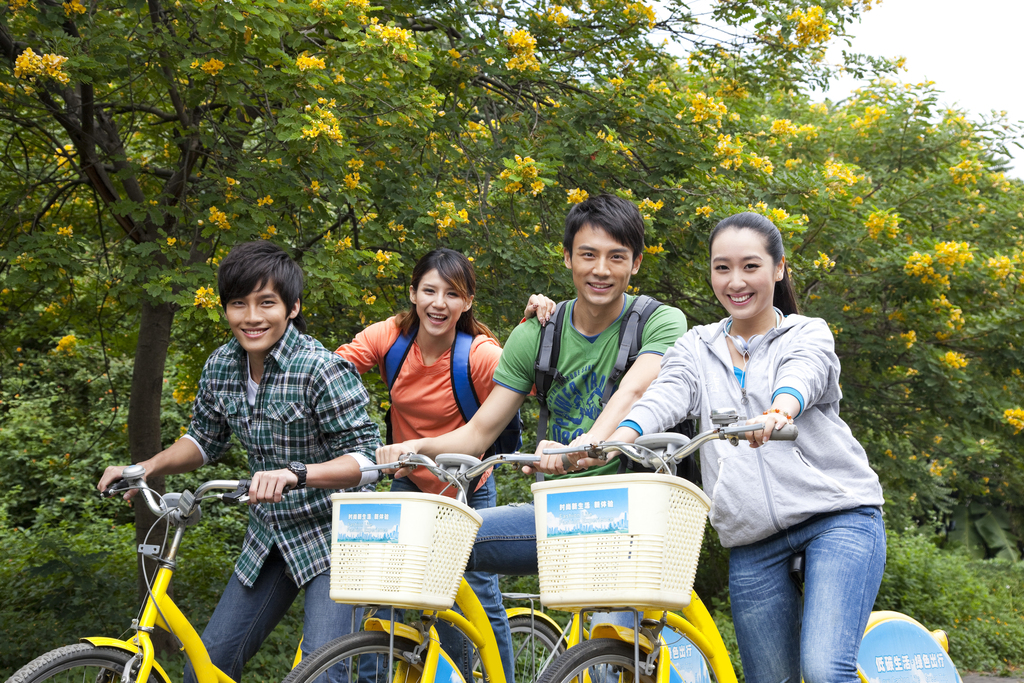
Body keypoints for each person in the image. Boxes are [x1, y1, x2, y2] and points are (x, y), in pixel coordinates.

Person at [376, 194, 689, 678]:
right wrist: (417, 447)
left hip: (633, 519)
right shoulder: (536, 335)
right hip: (560, 515)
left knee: (610, 664)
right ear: (567, 258)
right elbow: (479, 432)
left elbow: (634, 391)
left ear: (636, 263)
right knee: (438, 543)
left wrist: (580, 450)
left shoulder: (659, 322)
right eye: (588, 255)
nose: (600, 269)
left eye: (616, 257)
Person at [600, 212, 886, 683]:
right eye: (722, 268)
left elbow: (803, 374)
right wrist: (615, 441)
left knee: (821, 670)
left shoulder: (806, 332)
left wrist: (780, 411)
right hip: (753, 539)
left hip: (838, 518)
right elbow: (666, 395)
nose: (736, 281)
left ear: (778, 269)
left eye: (750, 266)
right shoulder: (696, 346)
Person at [97, 241, 381, 683]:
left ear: (292, 307)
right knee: (205, 669)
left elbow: (368, 461)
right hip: (270, 536)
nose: (252, 317)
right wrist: (146, 468)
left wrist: (295, 474)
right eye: (238, 303)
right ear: (225, 309)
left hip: (339, 538)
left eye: (266, 302)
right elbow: (203, 440)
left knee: (325, 675)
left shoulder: (321, 369)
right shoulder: (221, 367)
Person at [335, 248, 553, 680]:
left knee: (475, 597)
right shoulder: (391, 339)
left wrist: (535, 326)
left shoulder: (480, 354)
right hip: (412, 480)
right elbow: (333, 370)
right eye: (429, 291)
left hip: (467, 483)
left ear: (467, 301)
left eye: (452, 294)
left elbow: (530, 377)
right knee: (391, 590)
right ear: (413, 293)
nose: (439, 303)